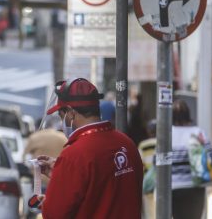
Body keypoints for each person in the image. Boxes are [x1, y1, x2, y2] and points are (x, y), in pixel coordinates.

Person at [36, 78, 143, 218]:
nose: (62, 124)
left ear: (71, 112)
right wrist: (61, 172)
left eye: (61, 116)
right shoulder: (127, 144)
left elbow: (54, 214)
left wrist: (47, 203)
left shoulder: (74, 155)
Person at [171, 99, 212, 219]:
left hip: (174, 189)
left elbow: (156, 161)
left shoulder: (167, 134)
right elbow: (211, 157)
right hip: (195, 188)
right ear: (188, 115)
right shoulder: (198, 132)